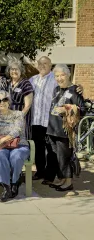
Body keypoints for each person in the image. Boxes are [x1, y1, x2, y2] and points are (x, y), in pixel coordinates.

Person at [29, 57, 83, 182]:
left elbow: (69, 87)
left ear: (50, 65)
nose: (42, 66)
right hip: (36, 120)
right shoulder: (32, 80)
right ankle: (41, 171)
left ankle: (51, 176)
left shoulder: (55, 79)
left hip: (50, 121)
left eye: (45, 63)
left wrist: (79, 87)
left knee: (52, 151)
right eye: (40, 64)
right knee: (38, 148)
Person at [46, 64, 85, 192]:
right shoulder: (56, 89)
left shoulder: (75, 90)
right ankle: (62, 178)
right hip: (52, 129)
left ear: (68, 75)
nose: (59, 78)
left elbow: (82, 109)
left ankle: (68, 182)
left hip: (64, 132)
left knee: (64, 157)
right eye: (57, 76)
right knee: (57, 157)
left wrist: (67, 108)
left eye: (62, 75)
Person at [0, 90, 30, 202]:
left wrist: (3, 139)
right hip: (3, 147)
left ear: (9, 101)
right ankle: (6, 188)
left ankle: (15, 182)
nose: (2, 102)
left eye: (5, 99)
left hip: (19, 145)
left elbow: (17, 130)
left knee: (16, 156)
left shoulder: (18, 114)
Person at [6, 60, 34, 139]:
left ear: (21, 71)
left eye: (16, 69)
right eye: (12, 69)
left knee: (21, 142)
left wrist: (18, 118)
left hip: (22, 118)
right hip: (9, 118)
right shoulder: (8, 83)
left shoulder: (26, 84)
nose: (14, 71)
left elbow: (27, 105)